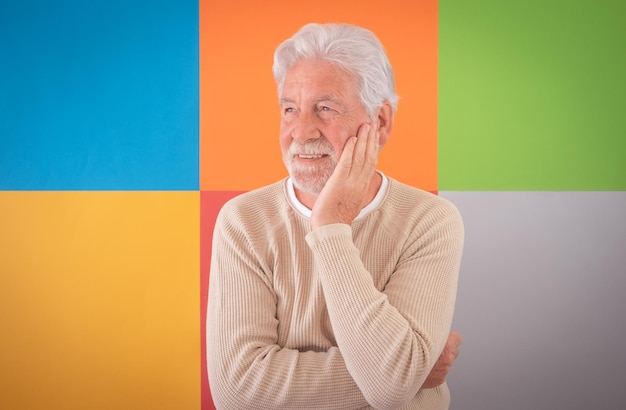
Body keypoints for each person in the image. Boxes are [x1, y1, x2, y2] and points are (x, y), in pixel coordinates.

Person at [206, 23, 464, 409]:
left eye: (324, 109)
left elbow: (391, 387)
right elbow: (238, 391)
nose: (301, 131)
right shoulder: (242, 221)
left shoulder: (430, 221)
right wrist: (410, 371)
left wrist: (330, 227)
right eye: (290, 109)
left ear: (379, 122)